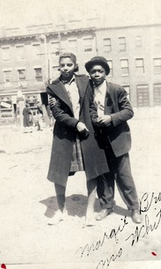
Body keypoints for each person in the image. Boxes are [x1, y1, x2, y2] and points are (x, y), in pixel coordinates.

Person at [46, 52, 109, 226]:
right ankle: (61, 210)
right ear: (59, 66)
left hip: (86, 131)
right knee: (59, 173)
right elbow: (57, 113)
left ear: (75, 65)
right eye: (62, 65)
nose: (65, 68)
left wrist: (93, 120)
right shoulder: (53, 87)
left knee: (92, 171)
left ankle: (89, 212)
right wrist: (75, 123)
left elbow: (90, 105)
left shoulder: (85, 81)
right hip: (65, 133)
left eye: (69, 65)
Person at [85, 56, 142, 224]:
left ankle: (134, 208)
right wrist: (95, 118)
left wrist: (111, 118)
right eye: (93, 71)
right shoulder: (89, 91)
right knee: (104, 175)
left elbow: (129, 111)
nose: (96, 74)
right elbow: (89, 110)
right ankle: (106, 206)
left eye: (100, 71)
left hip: (117, 139)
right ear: (89, 74)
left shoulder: (116, 90)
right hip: (99, 141)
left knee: (124, 175)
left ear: (105, 73)